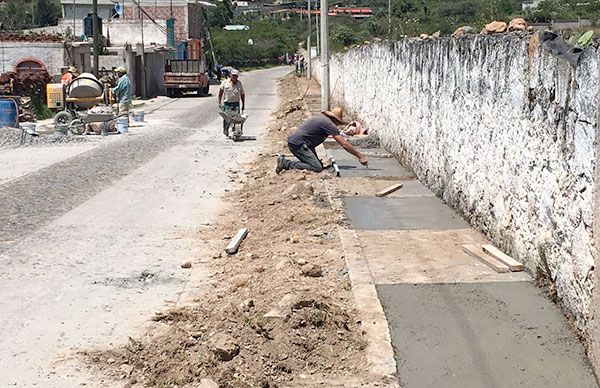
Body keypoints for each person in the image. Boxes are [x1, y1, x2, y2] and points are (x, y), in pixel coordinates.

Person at [276, 107, 368, 173]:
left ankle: (300, 162)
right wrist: (360, 156)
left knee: (315, 163)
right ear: (336, 120)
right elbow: (344, 144)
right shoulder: (329, 125)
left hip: (297, 142)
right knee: (317, 167)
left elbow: (310, 141)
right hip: (298, 144)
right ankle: (286, 163)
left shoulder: (321, 119)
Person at [218, 69, 245, 137]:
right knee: (227, 119)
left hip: (236, 104)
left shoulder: (239, 83)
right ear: (230, 75)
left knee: (237, 119)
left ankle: (235, 131)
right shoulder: (225, 82)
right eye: (233, 75)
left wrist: (243, 104)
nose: (235, 77)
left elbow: (242, 94)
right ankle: (225, 129)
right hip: (227, 104)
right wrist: (219, 102)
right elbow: (220, 93)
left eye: (236, 76)